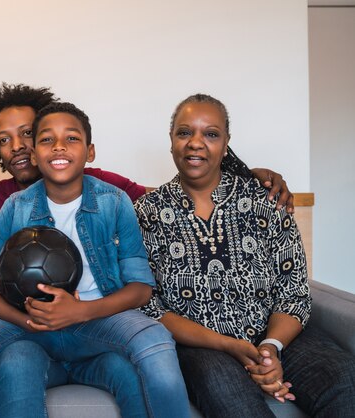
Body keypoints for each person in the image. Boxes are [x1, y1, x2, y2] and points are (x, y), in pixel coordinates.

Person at [0, 102, 191, 418]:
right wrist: (26, 320)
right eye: (46, 139)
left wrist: (81, 310)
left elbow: (140, 288)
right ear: (35, 152)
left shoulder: (114, 201)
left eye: (71, 138)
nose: (58, 146)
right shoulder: (17, 206)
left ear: (90, 151)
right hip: (29, 322)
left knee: (156, 339)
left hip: (96, 318)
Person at [133, 93, 355, 417]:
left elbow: (293, 291)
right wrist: (227, 345)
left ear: (226, 145)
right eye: (184, 132)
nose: (196, 143)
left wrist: (270, 348)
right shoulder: (146, 213)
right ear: (171, 141)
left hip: (277, 335)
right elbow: (148, 306)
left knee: (344, 380)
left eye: (211, 134)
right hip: (202, 348)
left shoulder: (266, 199)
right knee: (229, 395)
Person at [0, 83, 294, 219]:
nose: (18, 145)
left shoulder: (99, 186)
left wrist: (244, 176)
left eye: (27, 134)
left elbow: (167, 199)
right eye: (4, 139)